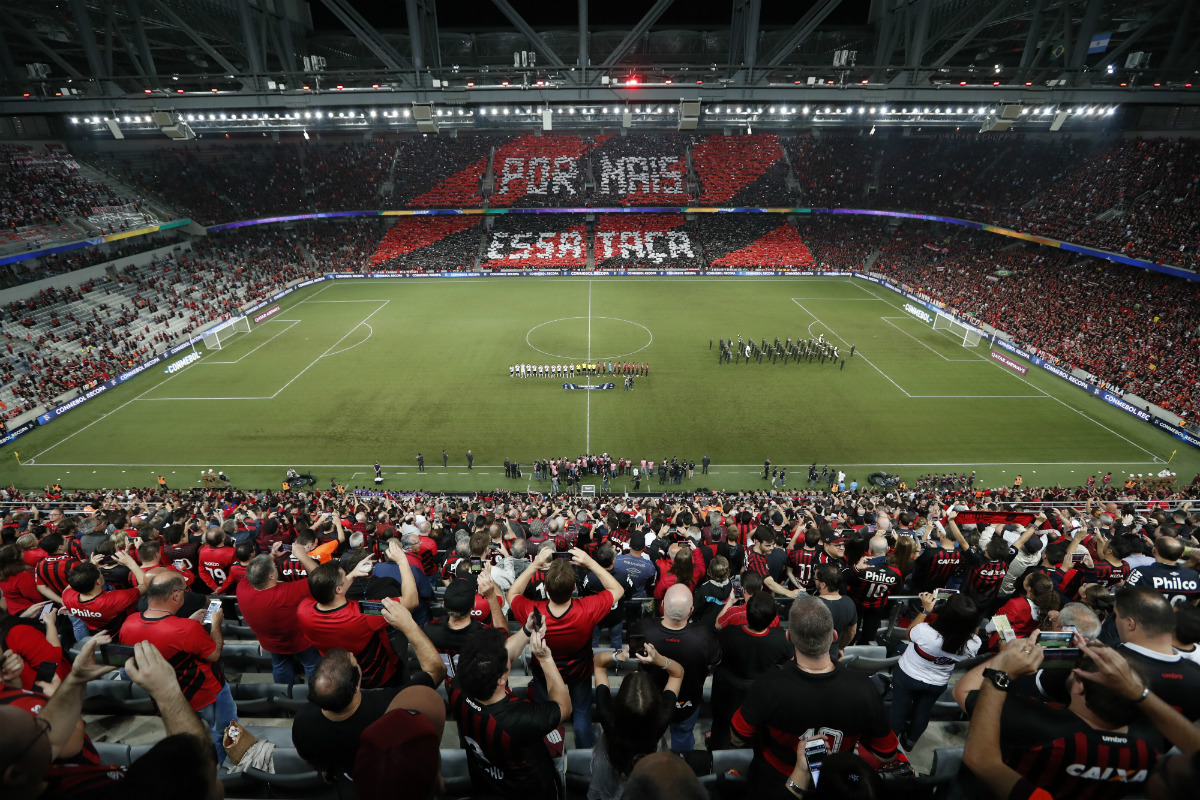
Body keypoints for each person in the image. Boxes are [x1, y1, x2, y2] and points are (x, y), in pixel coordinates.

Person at [962, 634, 1200, 800]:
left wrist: (1003, 663)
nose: (1162, 760)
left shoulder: (1033, 723)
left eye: (1163, 766)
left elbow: (964, 693)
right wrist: (1136, 690)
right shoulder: (1151, 744)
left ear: (1080, 687)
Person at [732, 596, 899, 800]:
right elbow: (887, 753)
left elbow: (737, 738)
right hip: (836, 786)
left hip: (775, 781)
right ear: (834, 635)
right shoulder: (865, 688)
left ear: (789, 637)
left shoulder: (766, 685)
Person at [293, 601, 446, 787]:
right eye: (355, 662)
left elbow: (308, 758)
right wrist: (409, 625)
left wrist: (326, 767)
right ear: (357, 685)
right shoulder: (391, 706)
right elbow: (436, 670)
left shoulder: (302, 722)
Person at [507, 546, 626, 748]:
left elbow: (512, 593)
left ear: (545, 588)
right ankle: (584, 750)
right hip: (578, 672)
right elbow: (617, 590)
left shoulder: (533, 613)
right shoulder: (587, 609)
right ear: (574, 588)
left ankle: (548, 748)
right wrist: (590, 562)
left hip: (544, 673)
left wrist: (534, 565)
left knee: (546, 713)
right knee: (581, 712)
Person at [119, 572, 237, 763]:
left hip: (167, 697)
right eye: (184, 590)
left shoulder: (129, 623)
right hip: (205, 692)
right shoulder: (186, 629)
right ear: (175, 595)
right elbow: (214, 653)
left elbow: (165, 640)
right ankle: (228, 768)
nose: (185, 593)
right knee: (224, 732)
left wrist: (189, 622)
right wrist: (215, 624)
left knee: (186, 738)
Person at [449, 623, 570, 800]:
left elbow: (499, 659)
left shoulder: (456, 688)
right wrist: (545, 659)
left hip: (486, 785)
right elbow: (564, 707)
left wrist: (527, 630)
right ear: (500, 679)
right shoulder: (519, 718)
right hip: (529, 791)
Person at [296, 555, 414, 688]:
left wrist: (353, 574)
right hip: (377, 675)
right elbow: (411, 601)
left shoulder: (303, 609)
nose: (347, 577)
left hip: (342, 676)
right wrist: (403, 562)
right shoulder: (363, 612)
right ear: (338, 589)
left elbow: (327, 588)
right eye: (345, 576)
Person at [634, 584, 722, 753]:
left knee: (649, 739)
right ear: (691, 610)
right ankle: (679, 762)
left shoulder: (643, 628)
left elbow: (635, 655)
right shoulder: (704, 636)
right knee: (682, 738)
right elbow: (717, 661)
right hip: (686, 701)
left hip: (651, 699)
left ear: (662, 606)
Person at [590, 643, 683, 800]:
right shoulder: (662, 719)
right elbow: (677, 673)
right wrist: (659, 659)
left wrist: (617, 656)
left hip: (613, 771)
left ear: (620, 700)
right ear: (656, 702)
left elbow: (598, 663)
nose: (635, 670)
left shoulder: (607, 717)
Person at [891, 591, 981, 751]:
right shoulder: (973, 644)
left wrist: (925, 611)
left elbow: (909, 634)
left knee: (899, 710)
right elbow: (973, 634)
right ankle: (909, 743)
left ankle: (889, 745)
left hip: (908, 676)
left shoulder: (925, 632)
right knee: (923, 712)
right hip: (937, 683)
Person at [709, 592, 790, 750]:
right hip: (758, 696)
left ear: (747, 613)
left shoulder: (728, 633)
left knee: (720, 730)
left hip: (726, 694)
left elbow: (716, 655)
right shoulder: (781, 639)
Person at [237, 553, 322, 685]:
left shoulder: (241, 587)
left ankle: (284, 693)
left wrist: (272, 555)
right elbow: (320, 578)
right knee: (312, 664)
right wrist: (301, 554)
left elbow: (257, 570)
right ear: (271, 576)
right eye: (275, 567)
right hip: (299, 642)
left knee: (280, 665)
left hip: (270, 643)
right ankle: (316, 690)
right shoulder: (288, 592)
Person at [61, 553, 148, 636]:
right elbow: (145, 585)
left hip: (95, 632)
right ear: (98, 582)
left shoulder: (67, 597)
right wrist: (131, 563)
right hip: (119, 631)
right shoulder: (116, 598)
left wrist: (91, 567)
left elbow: (73, 582)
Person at [1127, 536, 1200, 606]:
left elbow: (1125, 598)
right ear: (1181, 555)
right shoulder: (1194, 576)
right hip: (1181, 614)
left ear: (1154, 550)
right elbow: (1195, 601)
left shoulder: (1139, 573)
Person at [814, 563, 857, 661]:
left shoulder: (811, 605)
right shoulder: (849, 603)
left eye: (815, 579)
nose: (814, 581)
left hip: (811, 657)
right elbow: (851, 632)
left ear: (823, 585)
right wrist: (840, 647)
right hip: (833, 655)